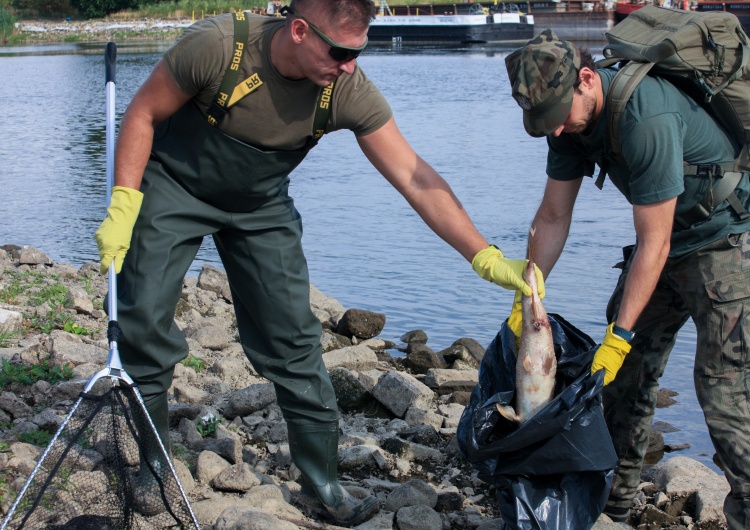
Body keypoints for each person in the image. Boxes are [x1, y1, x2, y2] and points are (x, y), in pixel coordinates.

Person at [94, 0, 542, 526]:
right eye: (340, 52)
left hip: (260, 206)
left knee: (295, 340)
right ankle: (152, 464)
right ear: (300, 30)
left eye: (359, 51)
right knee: (143, 320)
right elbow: (143, 113)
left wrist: (482, 254)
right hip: (173, 185)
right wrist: (125, 203)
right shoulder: (218, 47)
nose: (350, 65)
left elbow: (415, 177)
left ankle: (321, 482)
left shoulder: (346, 89)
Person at [503, 29, 750, 529]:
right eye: (543, 124)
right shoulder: (569, 124)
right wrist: (526, 294)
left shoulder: (645, 116)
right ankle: (614, 503)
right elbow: (552, 218)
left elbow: (654, 243)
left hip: (723, 244)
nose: (554, 132)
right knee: (618, 378)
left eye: (556, 118)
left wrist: (619, 336)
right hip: (665, 242)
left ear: (587, 80)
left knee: (723, 392)